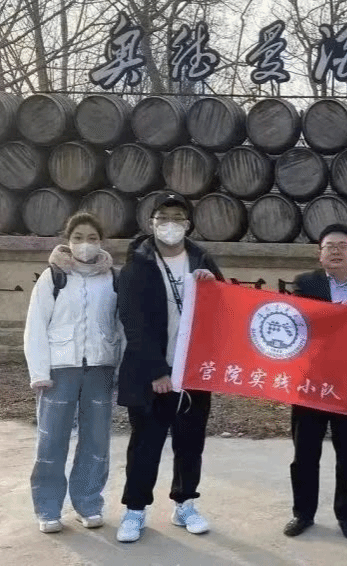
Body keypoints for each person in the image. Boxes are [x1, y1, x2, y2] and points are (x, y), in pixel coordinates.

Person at [114, 192, 223, 543]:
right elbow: (133, 323)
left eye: (178, 218)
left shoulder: (202, 260)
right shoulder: (138, 264)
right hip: (152, 374)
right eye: (163, 218)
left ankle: (185, 504)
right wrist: (157, 370)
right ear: (151, 223)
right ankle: (135, 510)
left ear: (188, 225)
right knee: (145, 445)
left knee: (190, 444)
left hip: (193, 372)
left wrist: (213, 286)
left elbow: (224, 312)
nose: (170, 224)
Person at [283, 224, 347, 540]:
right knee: (305, 455)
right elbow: (299, 327)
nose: (336, 251)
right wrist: (339, 312)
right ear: (320, 254)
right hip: (310, 388)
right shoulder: (305, 284)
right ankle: (303, 514)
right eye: (329, 246)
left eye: (343, 245)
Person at [24, 212, 123, 534]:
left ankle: (88, 503)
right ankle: (48, 508)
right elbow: (36, 325)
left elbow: (122, 326)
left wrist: (121, 368)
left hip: (100, 368)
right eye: (78, 238)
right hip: (60, 369)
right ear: (68, 241)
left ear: (101, 242)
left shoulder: (113, 278)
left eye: (92, 238)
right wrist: (39, 371)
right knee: (52, 441)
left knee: (96, 442)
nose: (85, 244)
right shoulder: (53, 277)